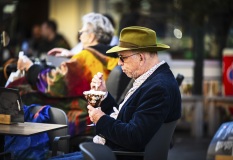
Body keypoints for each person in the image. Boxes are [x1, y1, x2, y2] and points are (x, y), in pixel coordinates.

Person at [50, 26, 182, 160]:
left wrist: (100, 119)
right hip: (114, 151)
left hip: (118, 155)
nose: (119, 63)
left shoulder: (158, 88)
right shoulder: (153, 79)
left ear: (141, 58)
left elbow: (134, 137)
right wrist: (104, 95)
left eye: (122, 57)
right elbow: (126, 118)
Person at [6, 13, 119, 139]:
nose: (80, 36)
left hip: (82, 117)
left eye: (81, 32)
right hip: (99, 113)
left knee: (21, 91)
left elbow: (53, 83)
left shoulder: (85, 57)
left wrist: (30, 67)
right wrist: (72, 56)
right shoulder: (111, 57)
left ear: (91, 36)